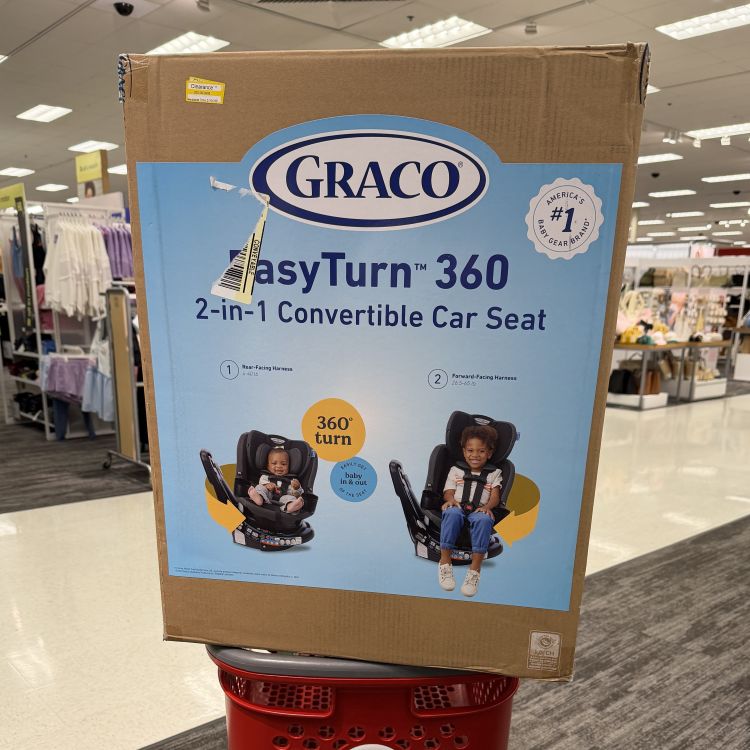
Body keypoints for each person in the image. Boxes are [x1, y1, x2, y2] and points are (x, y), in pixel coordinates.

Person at [438, 425, 502, 597]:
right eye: (470, 450)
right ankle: (445, 562)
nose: (475, 455)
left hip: (479, 510)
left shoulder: (494, 473)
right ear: (464, 452)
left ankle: (474, 570)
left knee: (484, 519)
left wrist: (487, 508)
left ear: (489, 453)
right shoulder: (456, 470)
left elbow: (495, 496)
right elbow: (448, 491)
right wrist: (450, 500)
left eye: (481, 451)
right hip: (458, 506)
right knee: (451, 513)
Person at [248, 447, 304, 513]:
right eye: (274, 463)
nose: (279, 466)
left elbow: (297, 493)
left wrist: (297, 487)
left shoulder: (292, 480)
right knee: (260, 488)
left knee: (291, 498)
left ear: (289, 466)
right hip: (267, 495)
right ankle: (258, 498)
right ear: (268, 466)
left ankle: (291, 506)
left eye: (283, 464)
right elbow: (261, 483)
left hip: (283, 498)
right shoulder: (266, 476)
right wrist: (267, 485)